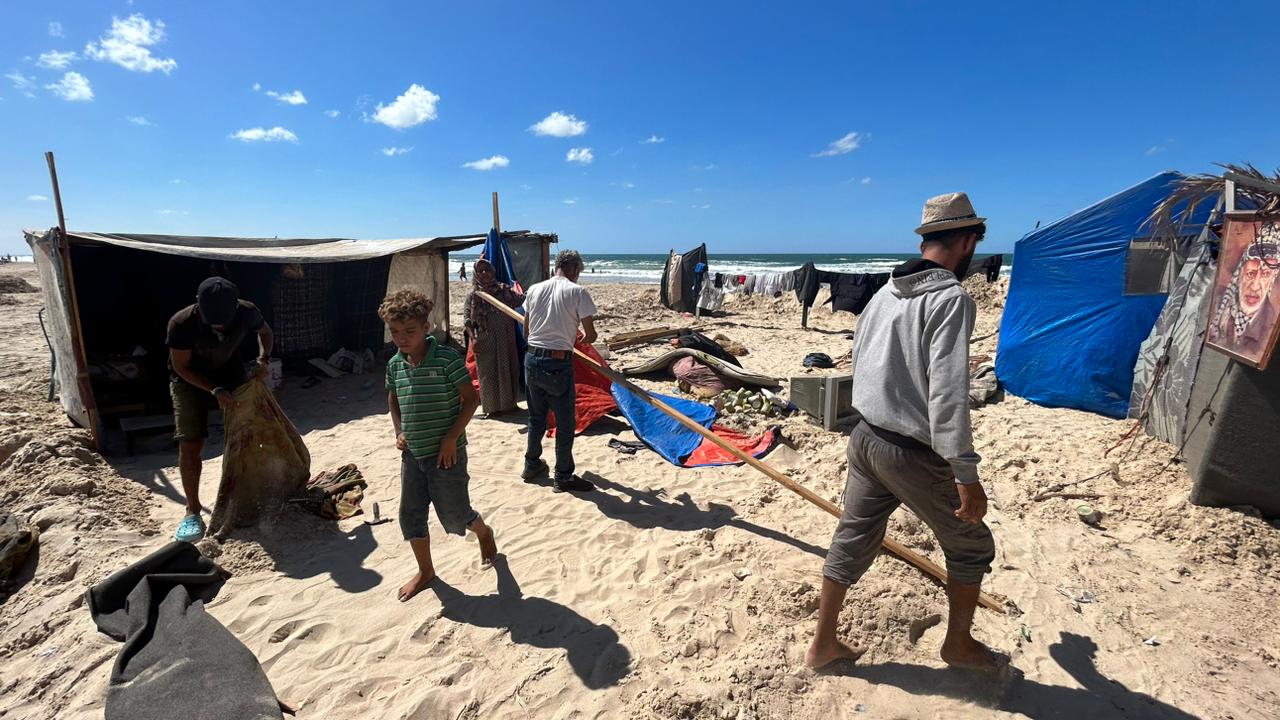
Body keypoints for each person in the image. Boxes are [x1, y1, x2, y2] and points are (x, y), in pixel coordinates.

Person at [807, 192, 999, 671]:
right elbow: (947, 395)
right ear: (966, 240)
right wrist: (965, 472)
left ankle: (823, 644)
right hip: (908, 449)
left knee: (853, 536)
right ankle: (957, 645)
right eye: (975, 239)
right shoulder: (950, 299)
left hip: (865, 436)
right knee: (971, 544)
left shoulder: (886, 291)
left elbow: (863, 362)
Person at [380, 288, 497, 601]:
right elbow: (393, 399)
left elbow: (471, 400)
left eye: (409, 331)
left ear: (426, 328)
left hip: (447, 455)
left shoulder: (446, 358)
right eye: (395, 332)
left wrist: (450, 438)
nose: (402, 338)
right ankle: (426, 571)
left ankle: (484, 532)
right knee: (410, 515)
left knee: (456, 514)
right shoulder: (395, 364)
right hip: (413, 455)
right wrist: (399, 431)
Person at [167, 277, 273, 542]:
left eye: (223, 320)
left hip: (230, 371)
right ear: (198, 304)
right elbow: (181, 366)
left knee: (253, 429)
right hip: (189, 379)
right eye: (212, 319)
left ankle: (251, 492)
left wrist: (263, 359)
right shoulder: (181, 323)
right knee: (190, 442)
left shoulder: (247, 311)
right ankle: (192, 510)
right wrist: (213, 390)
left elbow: (266, 333)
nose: (219, 325)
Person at [520, 249, 598, 492]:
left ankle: (532, 464)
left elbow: (526, 331)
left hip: (532, 359)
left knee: (536, 417)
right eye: (579, 272)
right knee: (565, 422)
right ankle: (563, 476)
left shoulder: (534, 289)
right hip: (557, 363)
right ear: (574, 268)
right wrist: (577, 338)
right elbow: (590, 335)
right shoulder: (578, 292)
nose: (578, 277)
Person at [462, 258, 525, 415]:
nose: (485, 273)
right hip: (485, 339)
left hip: (506, 337)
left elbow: (522, 300)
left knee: (509, 368)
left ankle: (510, 405)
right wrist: (473, 339)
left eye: (487, 269)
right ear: (476, 274)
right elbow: (467, 321)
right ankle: (492, 409)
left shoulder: (504, 290)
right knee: (488, 373)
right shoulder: (474, 296)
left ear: (493, 271)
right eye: (481, 270)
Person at [1208, 225, 1279, 360]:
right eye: (1251, 273)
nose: (1255, 286)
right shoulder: (1220, 307)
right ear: (1240, 274)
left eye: (1265, 274)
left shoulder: (1270, 325)